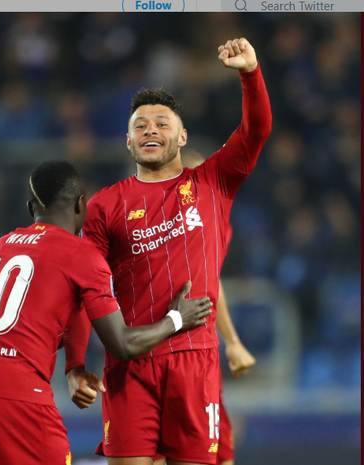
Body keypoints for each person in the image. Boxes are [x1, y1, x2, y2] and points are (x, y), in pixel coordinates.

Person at [65, 38, 271, 465]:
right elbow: (87, 290)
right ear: (127, 141)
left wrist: (250, 75)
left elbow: (257, 131)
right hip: (130, 367)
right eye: (141, 125)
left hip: (194, 364)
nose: (151, 131)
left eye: (162, 123)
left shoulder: (212, 183)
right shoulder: (105, 205)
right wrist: (74, 363)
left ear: (182, 135)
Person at [0, 161, 214, 465]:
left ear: (32, 207)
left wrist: (74, 367)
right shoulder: (81, 254)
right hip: (16, 400)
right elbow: (121, 344)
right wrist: (176, 319)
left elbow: (41, 323)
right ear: (82, 204)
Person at [151, 149, 257, 465]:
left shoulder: (216, 223)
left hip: (199, 358)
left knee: (219, 455)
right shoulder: (156, 226)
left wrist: (233, 342)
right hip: (156, 357)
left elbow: (212, 282)